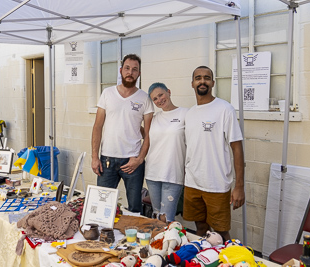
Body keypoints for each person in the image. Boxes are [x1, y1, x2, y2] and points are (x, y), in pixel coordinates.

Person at [183, 66, 245, 241]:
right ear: (192, 83)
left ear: (213, 82)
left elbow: (237, 148)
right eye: (198, 78)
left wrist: (239, 186)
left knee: (221, 233)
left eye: (206, 78)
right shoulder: (190, 114)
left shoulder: (225, 109)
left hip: (217, 184)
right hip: (193, 182)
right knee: (200, 228)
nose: (202, 81)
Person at [91, 54, 154, 213]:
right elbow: (97, 126)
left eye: (134, 69)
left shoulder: (144, 98)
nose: (130, 72)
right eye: (127, 68)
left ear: (139, 73)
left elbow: (148, 134)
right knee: (102, 206)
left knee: (134, 208)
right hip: (107, 160)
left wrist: (139, 159)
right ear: (121, 70)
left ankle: (133, 237)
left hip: (132, 161)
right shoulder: (107, 93)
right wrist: (94, 156)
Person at [145, 82, 188, 223]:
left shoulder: (185, 114)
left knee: (167, 218)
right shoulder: (154, 118)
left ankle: (169, 243)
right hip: (152, 173)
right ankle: (157, 244)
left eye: (161, 95)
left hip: (173, 173)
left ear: (168, 92)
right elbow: (146, 138)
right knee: (157, 216)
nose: (159, 100)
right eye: (155, 99)